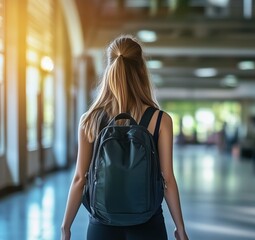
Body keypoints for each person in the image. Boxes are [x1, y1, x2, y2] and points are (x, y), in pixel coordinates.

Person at [61, 35, 189, 240]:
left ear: (109, 68)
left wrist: (66, 227)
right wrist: (180, 228)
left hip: (102, 224)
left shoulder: (90, 119)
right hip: (148, 223)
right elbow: (168, 180)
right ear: (141, 71)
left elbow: (79, 179)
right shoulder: (160, 120)